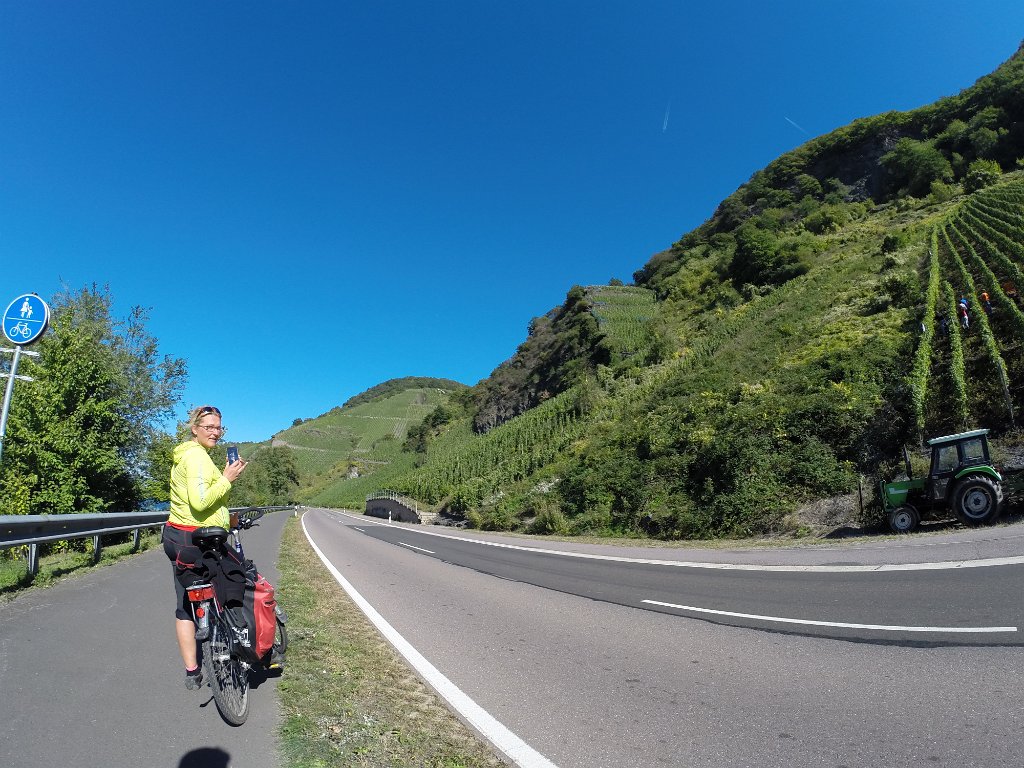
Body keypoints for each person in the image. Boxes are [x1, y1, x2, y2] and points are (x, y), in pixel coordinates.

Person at [162, 405, 247, 690]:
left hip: (178, 537)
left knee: (184, 603)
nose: (215, 432)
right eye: (208, 427)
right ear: (195, 429)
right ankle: (230, 639)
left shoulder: (189, 454)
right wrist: (227, 479)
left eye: (218, 427)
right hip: (196, 540)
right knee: (231, 581)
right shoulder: (197, 457)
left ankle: (192, 672)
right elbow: (199, 503)